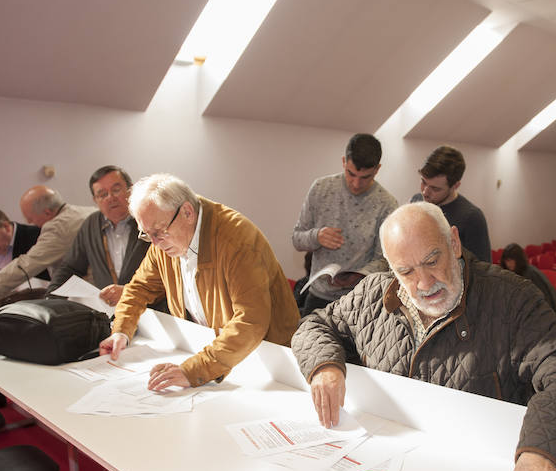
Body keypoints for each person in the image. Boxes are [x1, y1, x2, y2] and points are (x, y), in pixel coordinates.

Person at [291, 202, 556, 471]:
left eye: (432, 260)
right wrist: (325, 367)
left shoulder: (510, 300)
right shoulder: (372, 294)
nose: (424, 282)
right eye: (407, 271)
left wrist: (541, 455)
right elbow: (315, 325)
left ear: (454, 243)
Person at [100, 174, 300, 389]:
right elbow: (139, 288)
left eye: (160, 232)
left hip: (270, 365)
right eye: (148, 235)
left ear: (187, 212)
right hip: (218, 360)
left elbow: (250, 321)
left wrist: (193, 370)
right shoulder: (165, 239)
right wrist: (121, 331)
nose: (156, 244)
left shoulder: (237, 239)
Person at [292, 133, 397, 316]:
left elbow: (385, 260)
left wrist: (359, 275)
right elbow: (297, 239)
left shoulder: (387, 204)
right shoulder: (321, 188)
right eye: (351, 174)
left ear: (377, 169)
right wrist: (317, 236)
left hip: (359, 302)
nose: (356, 184)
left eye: (365, 177)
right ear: (343, 162)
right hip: (318, 297)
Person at [0, 186, 94, 308]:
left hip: (91, 296)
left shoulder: (57, 227)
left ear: (47, 212)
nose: (31, 223)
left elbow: (27, 265)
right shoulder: (86, 212)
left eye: (32, 219)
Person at [47, 165, 152, 307]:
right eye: (102, 194)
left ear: (131, 189)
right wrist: (51, 296)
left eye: (116, 190)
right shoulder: (91, 225)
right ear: (95, 200)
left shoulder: (149, 218)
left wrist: (131, 292)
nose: (110, 198)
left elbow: (165, 274)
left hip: (149, 308)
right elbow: (71, 267)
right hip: (109, 310)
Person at [409, 145, 491, 261]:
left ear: (455, 186)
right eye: (423, 182)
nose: (425, 192)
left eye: (435, 188)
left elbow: (483, 271)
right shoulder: (415, 201)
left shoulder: (472, 217)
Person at [499, 243, 556, 318]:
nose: (509, 264)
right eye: (507, 260)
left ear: (518, 259)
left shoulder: (529, 274)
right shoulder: (524, 271)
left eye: (511, 260)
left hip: (546, 313)